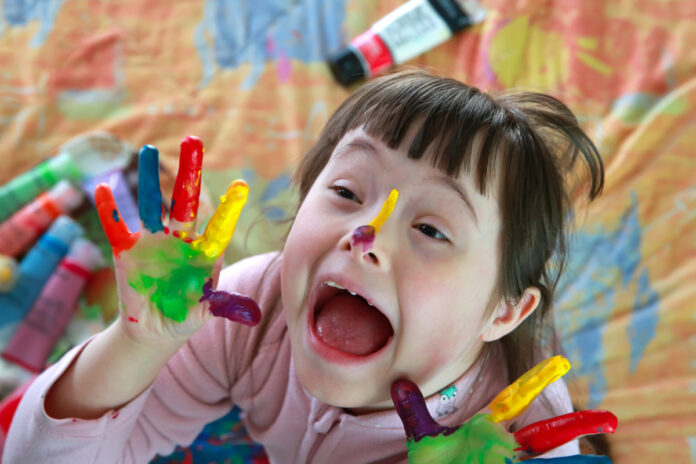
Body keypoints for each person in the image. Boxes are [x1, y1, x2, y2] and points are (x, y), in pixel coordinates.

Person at [3, 69, 604, 463]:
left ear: (505, 311)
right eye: (346, 192)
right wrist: (137, 344)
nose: (365, 237)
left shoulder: (520, 435)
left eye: (430, 229)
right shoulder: (251, 310)